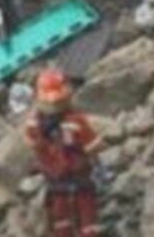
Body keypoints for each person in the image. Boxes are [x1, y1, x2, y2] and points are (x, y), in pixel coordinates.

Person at [24, 68, 103, 237]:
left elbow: (33, 147)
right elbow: (92, 146)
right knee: (77, 219)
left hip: (64, 179)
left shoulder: (36, 123)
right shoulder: (74, 120)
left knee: (68, 220)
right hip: (67, 179)